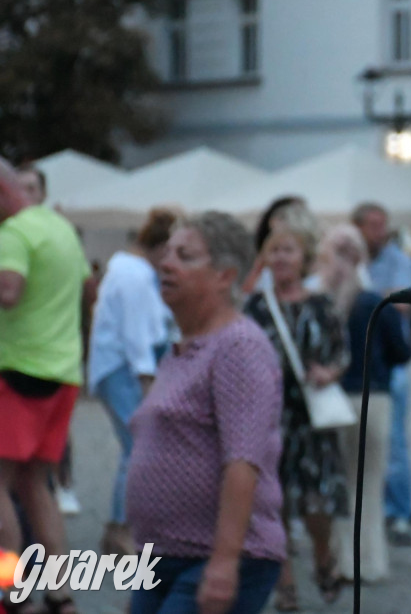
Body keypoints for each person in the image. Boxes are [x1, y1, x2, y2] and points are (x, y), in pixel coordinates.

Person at [125, 211, 285, 614]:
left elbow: (243, 460)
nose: (166, 263)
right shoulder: (184, 347)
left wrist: (225, 561)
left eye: (185, 256)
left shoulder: (238, 346)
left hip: (217, 556)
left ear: (224, 276)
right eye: (167, 252)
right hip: (163, 557)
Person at [242, 211, 347, 610]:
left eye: (288, 250)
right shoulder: (255, 307)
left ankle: (323, 556)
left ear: (303, 258)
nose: (281, 258)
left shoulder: (321, 305)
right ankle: (284, 584)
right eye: (274, 251)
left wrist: (328, 372)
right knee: (274, 505)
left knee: (318, 505)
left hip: (312, 419)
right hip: (269, 419)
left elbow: (342, 353)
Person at [0, 159, 90, 614]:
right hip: (63, 373)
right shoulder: (60, 228)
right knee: (37, 484)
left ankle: (11, 590)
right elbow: (87, 289)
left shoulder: (13, 234)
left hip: (18, 371)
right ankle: (60, 594)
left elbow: (9, 292)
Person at [314, 223, 411, 582]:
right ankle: (367, 562)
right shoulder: (374, 302)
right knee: (369, 484)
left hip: (332, 402)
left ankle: (341, 558)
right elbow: (402, 351)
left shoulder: (320, 303)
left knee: (339, 483)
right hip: (373, 400)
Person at [89, 208, 177, 557]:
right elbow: (137, 334)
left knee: (135, 449)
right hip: (123, 369)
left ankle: (121, 527)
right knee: (138, 448)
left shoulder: (128, 270)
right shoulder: (135, 277)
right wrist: (146, 381)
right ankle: (121, 527)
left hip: (118, 368)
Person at [353, 202, 411, 547]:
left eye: (383, 224)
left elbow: (405, 303)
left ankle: (400, 514)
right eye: (373, 225)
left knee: (395, 443)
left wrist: (364, 297)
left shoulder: (398, 260)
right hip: (359, 362)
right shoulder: (353, 257)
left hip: (390, 363)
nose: (380, 231)